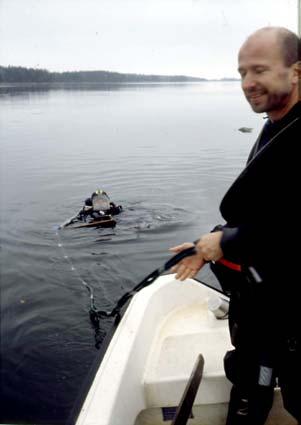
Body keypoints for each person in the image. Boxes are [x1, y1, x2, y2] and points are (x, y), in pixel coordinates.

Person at [169, 27, 301, 424]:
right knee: (251, 384)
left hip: (295, 310)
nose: (247, 83)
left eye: (259, 70)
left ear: (296, 72)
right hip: (265, 299)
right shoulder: (274, 124)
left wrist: (227, 242)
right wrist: (211, 242)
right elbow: (272, 212)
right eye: (242, 72)